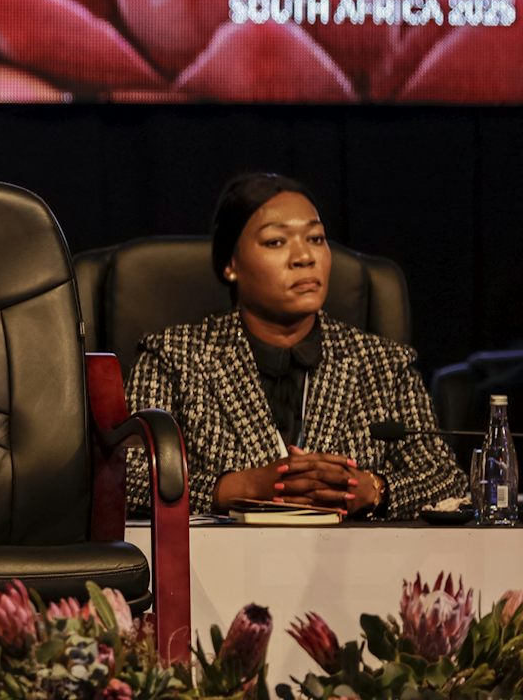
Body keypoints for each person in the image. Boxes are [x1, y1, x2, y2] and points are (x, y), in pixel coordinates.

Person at [126, 172, 464, 518]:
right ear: (231, 264)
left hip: (353, 565)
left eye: (316, 239)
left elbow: (447, 481)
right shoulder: (173, 357)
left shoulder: (383, 364)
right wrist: (238, 488)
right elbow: (125, 480)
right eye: (276, 242)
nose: (304, 257)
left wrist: (373, 488)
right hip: (218, 565)